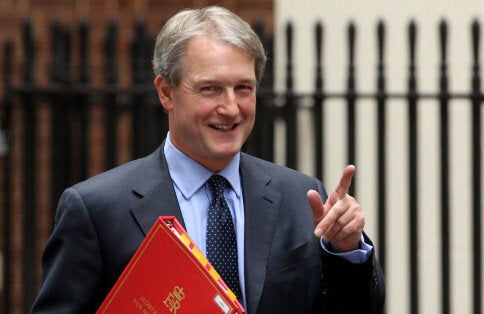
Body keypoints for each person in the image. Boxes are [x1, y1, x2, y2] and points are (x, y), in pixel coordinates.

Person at [31, 5, 385, 314]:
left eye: (243, 88)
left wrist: (346, 251)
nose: (230, 108)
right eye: (210, 88)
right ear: (166, 92)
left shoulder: (302, 196)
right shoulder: (98, 209)